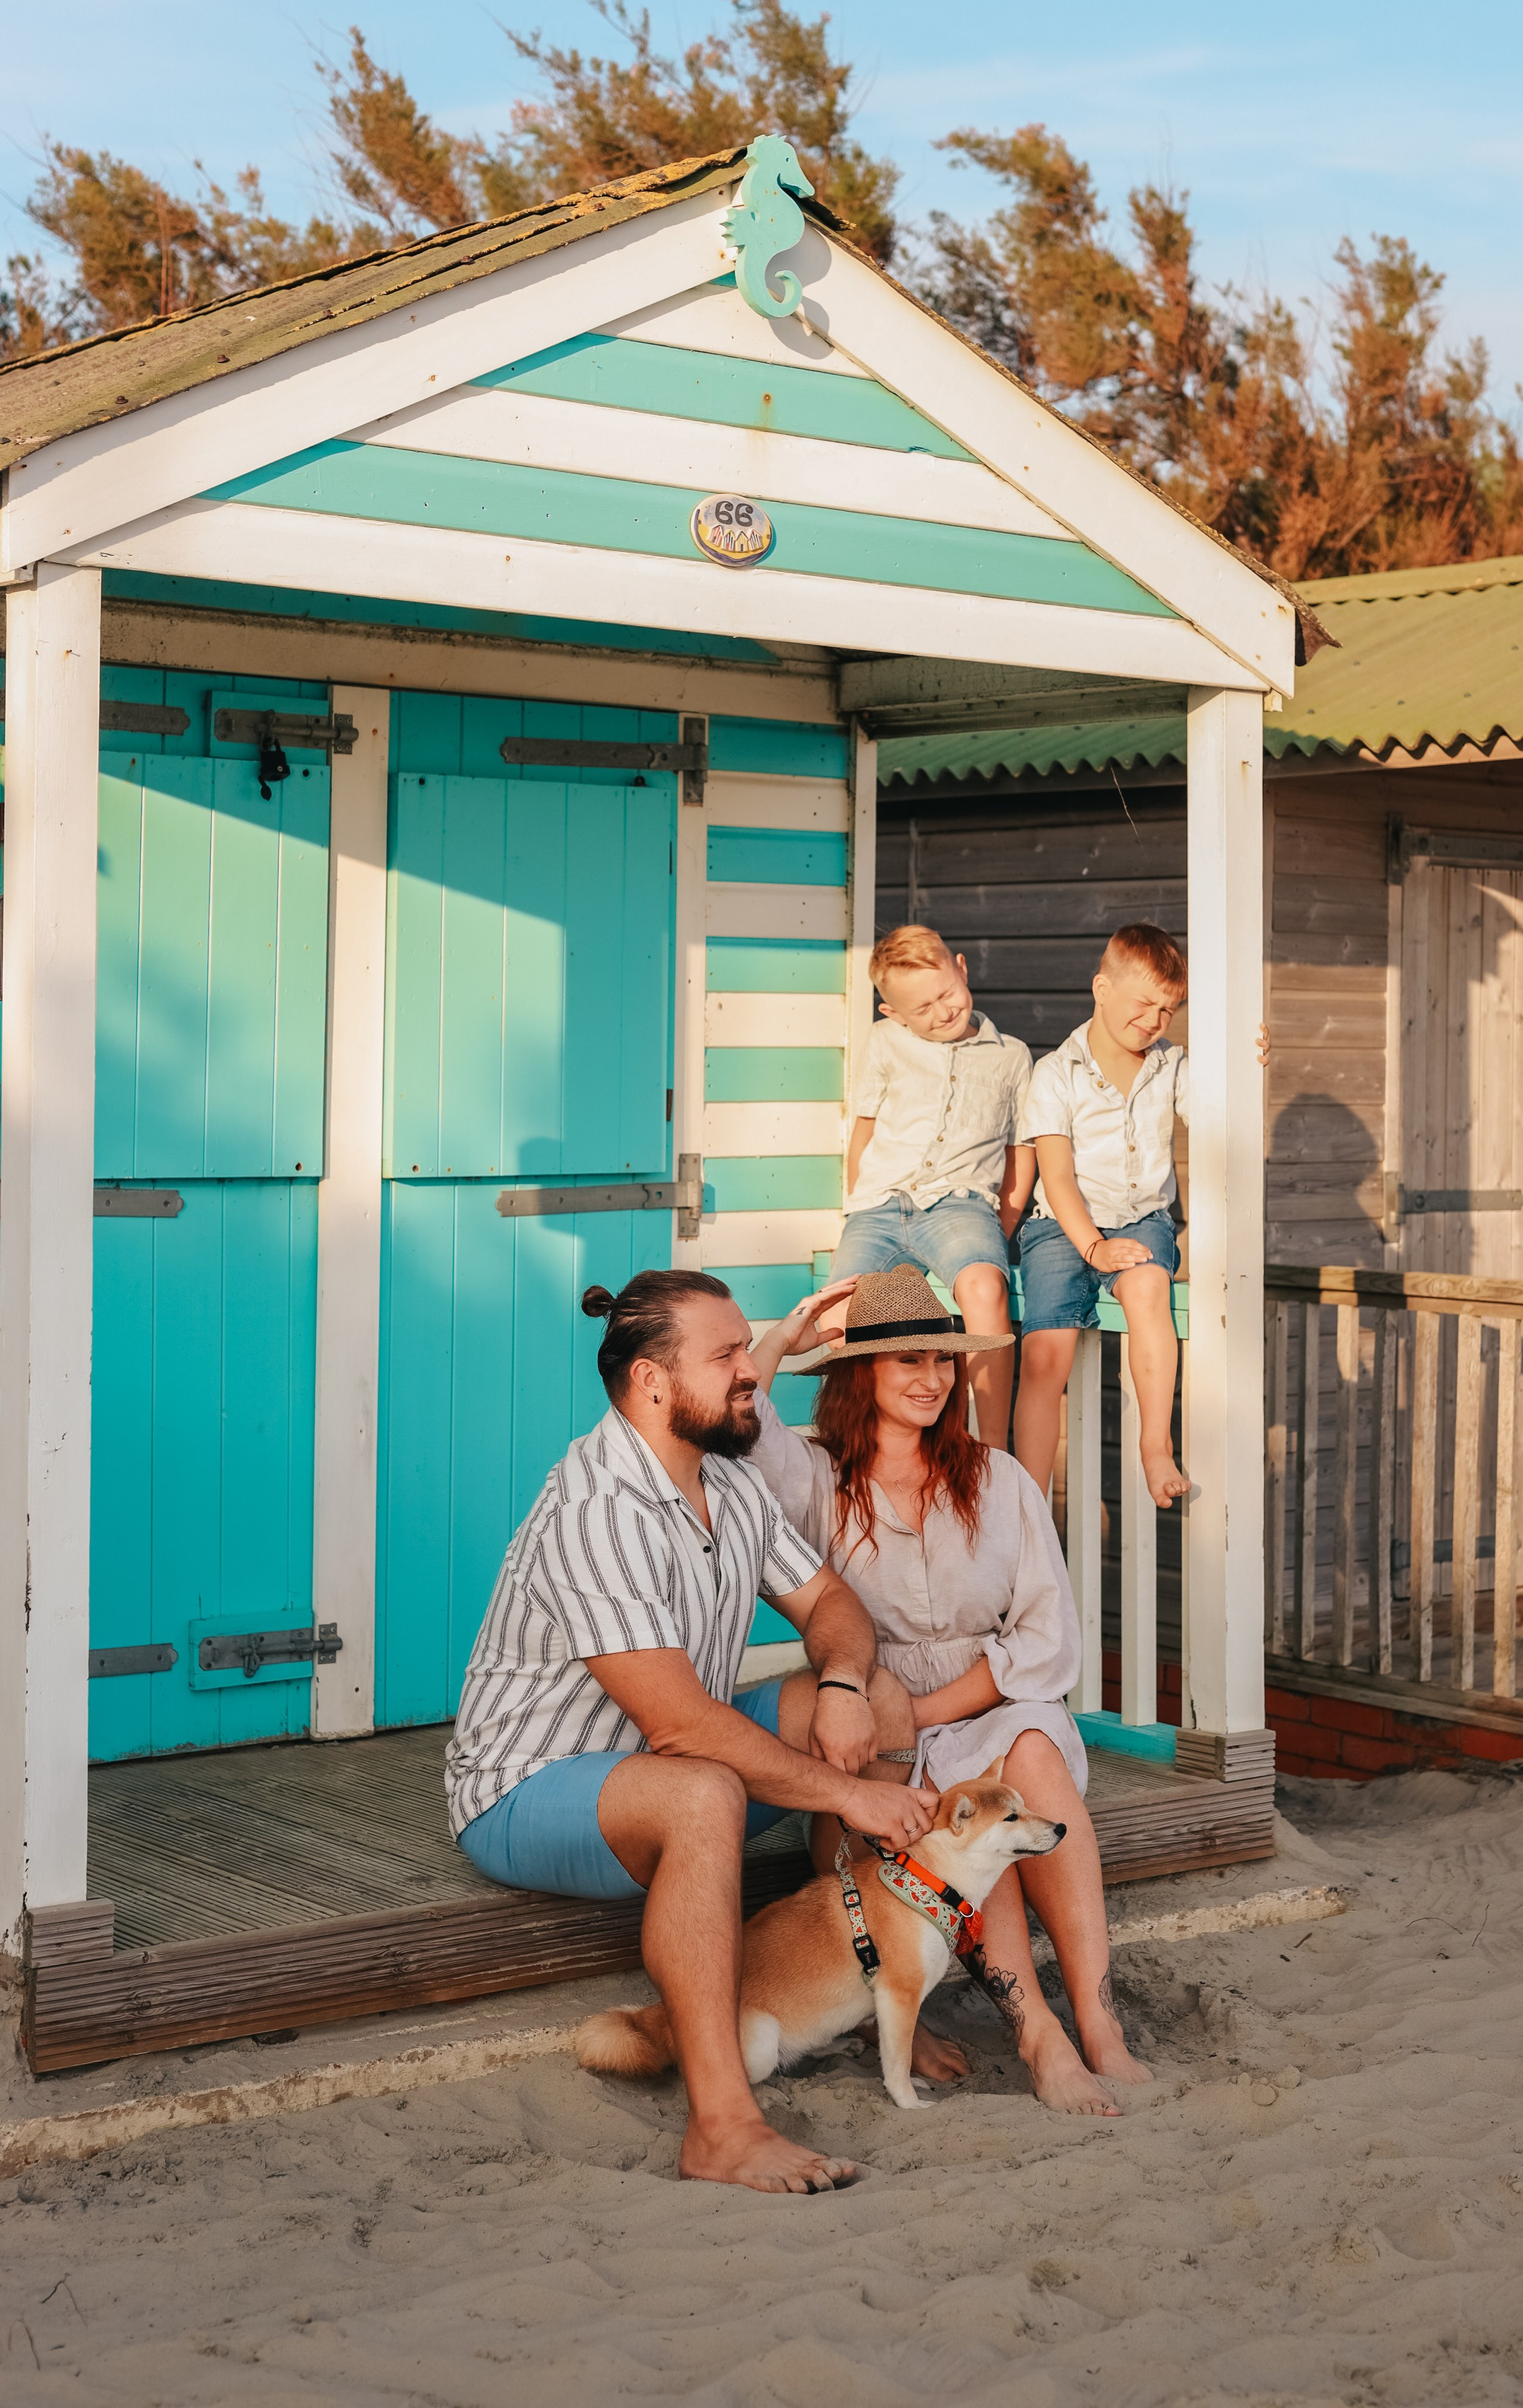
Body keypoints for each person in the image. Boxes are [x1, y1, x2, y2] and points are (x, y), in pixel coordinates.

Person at [444, 1268, 940, 2196]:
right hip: (528, 1786)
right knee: (703, 1789)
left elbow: (831, 1601)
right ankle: (721, 2126)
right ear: (652, 1382)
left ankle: (868, 1977)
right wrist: (848, 1790)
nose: (753, 1371)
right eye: (727, 1357)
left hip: (659, 1764)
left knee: (881, 1698)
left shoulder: (727, 1478)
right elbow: (675, 1723)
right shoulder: (598, 1509)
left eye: (747, 1349)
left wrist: (838, 1681)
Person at [749, 1263, 1152, 2119]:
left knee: (1032, 1751)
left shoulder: (998, 1478)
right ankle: (1036, 2030)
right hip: (872, 1723)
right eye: (908, 1363)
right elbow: (737, 1419)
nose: (934, 1379)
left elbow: (1047, 1637)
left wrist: (933, 1712)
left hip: (986, 1701)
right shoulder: (817, 1477)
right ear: (862, 1374)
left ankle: (1097, 2017)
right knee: (970, 1810)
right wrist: (787, 1336)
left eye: (943, 1360)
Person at [830, 922, 1035, 1445]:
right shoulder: (885, 1043)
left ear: (962, 969)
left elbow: (1020, 1150)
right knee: (838, 1310)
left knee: (986, 1287)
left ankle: (989, 1447)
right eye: (922, 1009)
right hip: (880, 1205)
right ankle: (854, 1443)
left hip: (959, 1206)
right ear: (894, 1014)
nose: (943, 1011)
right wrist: (858, 1202)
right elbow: (866, 1129)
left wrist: (1000, 1225)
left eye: (947, 993)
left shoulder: (1011, 1056)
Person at [1012, 923, 1190, 1511]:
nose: (1155, 1020)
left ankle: (1156, 1447)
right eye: (1144, 1003)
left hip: (1141, 1218)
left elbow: (1222, 1113)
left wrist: (1251, 1064)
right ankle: (1030, 1502)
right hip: (1064, 1226)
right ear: (1102, 988)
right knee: (1046, 1353)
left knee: (1147, 1293)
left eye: (1169, 1009)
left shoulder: (1172, 1066)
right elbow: (1056, 1177)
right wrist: (1091, 1247)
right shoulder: (1056, 1073)